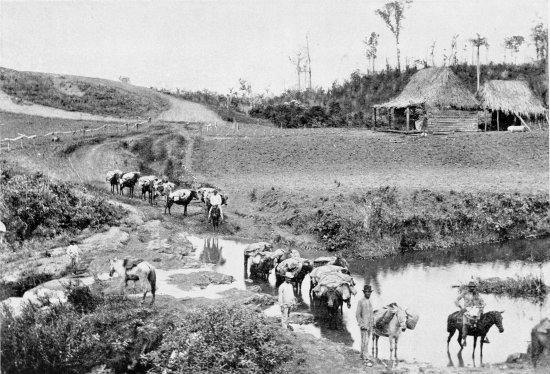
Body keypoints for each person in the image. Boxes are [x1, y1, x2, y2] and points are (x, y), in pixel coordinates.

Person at [455, 280, 488, 347]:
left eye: (473, 287)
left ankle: (484, 336)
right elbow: (456, 300)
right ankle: (464, 338)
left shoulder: (476, 294)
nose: (472, 288)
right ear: (468, 287)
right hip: (467, 309)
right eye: (471, 287)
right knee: (465, 323)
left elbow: (482, 301)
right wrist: (460, 306)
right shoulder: (464, 293)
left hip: (475, 309)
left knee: (482, 320)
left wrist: (483, 305)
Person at [356, 284, 375, 366]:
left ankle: (362, 355)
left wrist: (373, 322)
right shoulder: (361, 301)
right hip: (364, 325)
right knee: (365, 341)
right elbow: (357, 314)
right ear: (364, 292)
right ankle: (366, 360)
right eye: (367, 292)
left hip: (370, 325)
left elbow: (371, 313)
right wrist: (361, 324)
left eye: (369, 292)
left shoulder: (370, 301)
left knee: (365, 341)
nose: (368, 294)